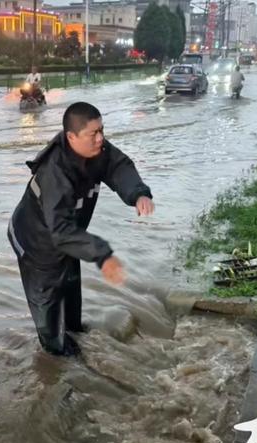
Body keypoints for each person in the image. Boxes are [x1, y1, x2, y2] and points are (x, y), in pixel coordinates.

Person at [8, 102, 155, 356]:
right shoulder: (55, 172)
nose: (100, 139)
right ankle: (59, 366)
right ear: (71, 137)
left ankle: (76, 336)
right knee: (51, 323)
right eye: (93, 134)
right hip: (38, 246)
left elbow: (119, 166)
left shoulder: (97, 150)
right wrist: (102, 254)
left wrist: (138, 194)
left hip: (69, 240)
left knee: (72, 305)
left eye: (102, 131)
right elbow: (61, 231)